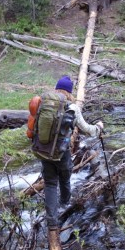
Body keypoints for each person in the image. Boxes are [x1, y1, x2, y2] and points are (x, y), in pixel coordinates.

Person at [32, 76, 104, 231]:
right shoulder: (72, 108)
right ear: (70, 92)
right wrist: (98, 127)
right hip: (61, 153)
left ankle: (52, 221)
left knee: (50, 183)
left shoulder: (44, 103)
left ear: (56, 88)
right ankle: (65, 204)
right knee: (65, 178)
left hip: (43, 150)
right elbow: (88, 130)